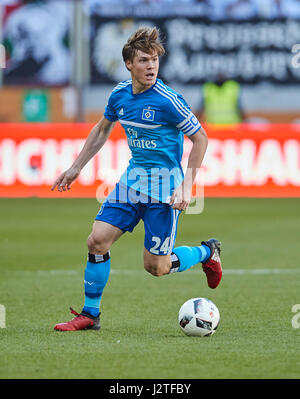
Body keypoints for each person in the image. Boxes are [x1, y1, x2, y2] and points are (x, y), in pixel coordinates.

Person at [51, 27, 222, 332]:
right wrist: (77, 167)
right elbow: (103, 129)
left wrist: (186, 186)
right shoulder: (120, 94)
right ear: (129, 64)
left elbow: (201, 139)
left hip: (165, 189)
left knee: (156, 267)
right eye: (144, 60)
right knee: (97, 240)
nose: (151, 66)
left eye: (154, 60)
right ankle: (91, 314)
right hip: (132, 183)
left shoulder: (168, 100)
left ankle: (208, 251)